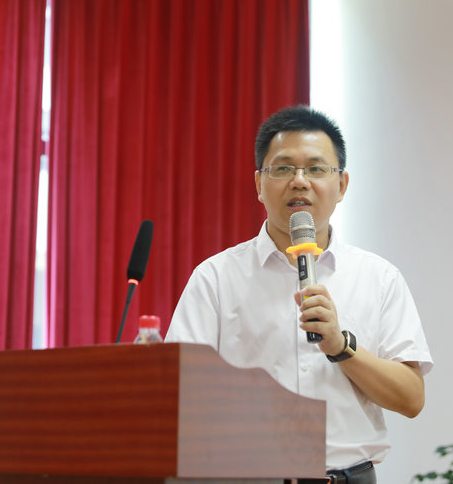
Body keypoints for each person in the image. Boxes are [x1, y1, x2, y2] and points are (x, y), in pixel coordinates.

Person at [166, 105, 433, 483]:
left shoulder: (379, 278)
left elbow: (411, 399)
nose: (300, 181)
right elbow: (179, 393)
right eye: (283, 168)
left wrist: (341, 346)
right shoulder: (216, 278)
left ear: (342, 185)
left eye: (316, 169)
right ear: (259, 184)